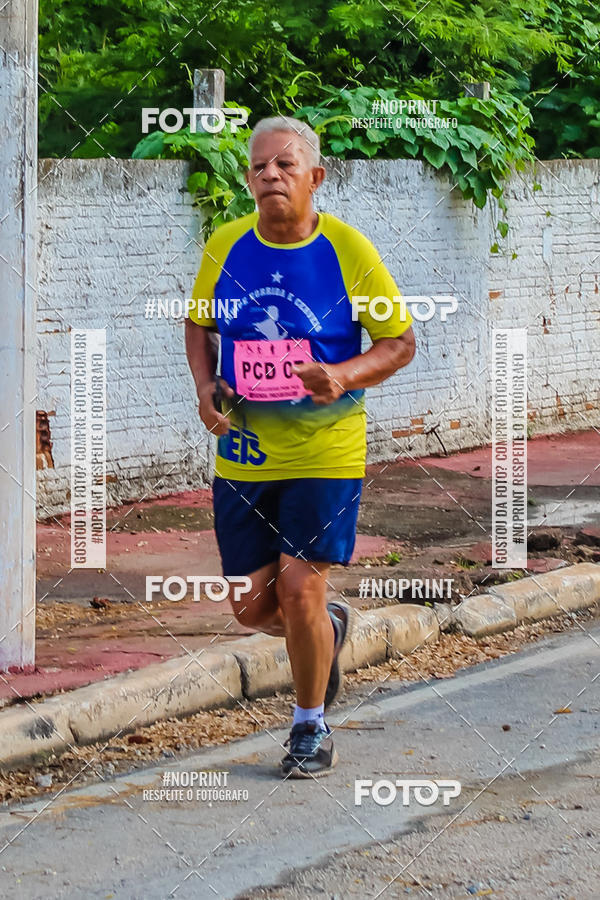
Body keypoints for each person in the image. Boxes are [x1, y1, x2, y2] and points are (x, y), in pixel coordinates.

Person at [185, 116, 415, 778]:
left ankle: (309, 727)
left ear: (315, 177)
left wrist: (341, 375)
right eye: (259, 167)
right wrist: (206, 388)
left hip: (325, 450)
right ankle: (327, 629)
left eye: (285, 166)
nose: (270, 176)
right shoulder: (226, 245)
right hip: (245, 457)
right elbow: (199, 324)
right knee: (251, 607)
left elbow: (399, 342)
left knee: (296, 589)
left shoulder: (348, 250)